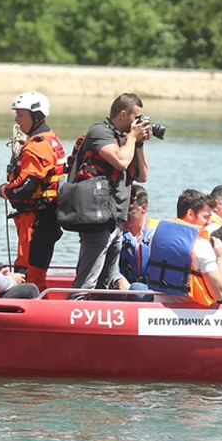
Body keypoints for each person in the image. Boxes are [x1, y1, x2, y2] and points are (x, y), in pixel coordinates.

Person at [69, 93, 152, 294]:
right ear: (123, 115)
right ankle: (74, 313)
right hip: (97, 217)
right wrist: (132, 137)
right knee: (88, 279)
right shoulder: (100, 131)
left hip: (115, 220)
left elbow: (142, 176)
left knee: (104, 282)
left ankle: (96, 319)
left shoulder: (127, 142)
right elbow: (121, 162)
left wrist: (138, 143)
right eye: (136, 118)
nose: (139, 123)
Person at [0, 91, 66, 291]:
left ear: (36, 116)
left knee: (27, 271)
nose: (16, 120)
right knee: (34, 269)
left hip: (36, 220)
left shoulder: (37, 147)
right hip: (43, 218)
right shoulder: (48, 139)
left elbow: (24, 188)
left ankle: (29, 310)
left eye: (20, 115)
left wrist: (4, 190)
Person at [147, 189, 222, 306]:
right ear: (190, 214)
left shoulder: (155, 235)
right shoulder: (201, 246)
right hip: (192, 313)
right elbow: (219, 293)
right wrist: (220, 257)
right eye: (206, 217)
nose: (209, 222)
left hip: (159, 307)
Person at [119, 184, 159, 286]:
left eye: (130, 210)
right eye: (121, 209)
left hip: (149, 291)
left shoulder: (157, 232)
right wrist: (118, 279)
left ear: (143, 208)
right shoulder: (115, 232)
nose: (124, 215)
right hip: (121, 289)